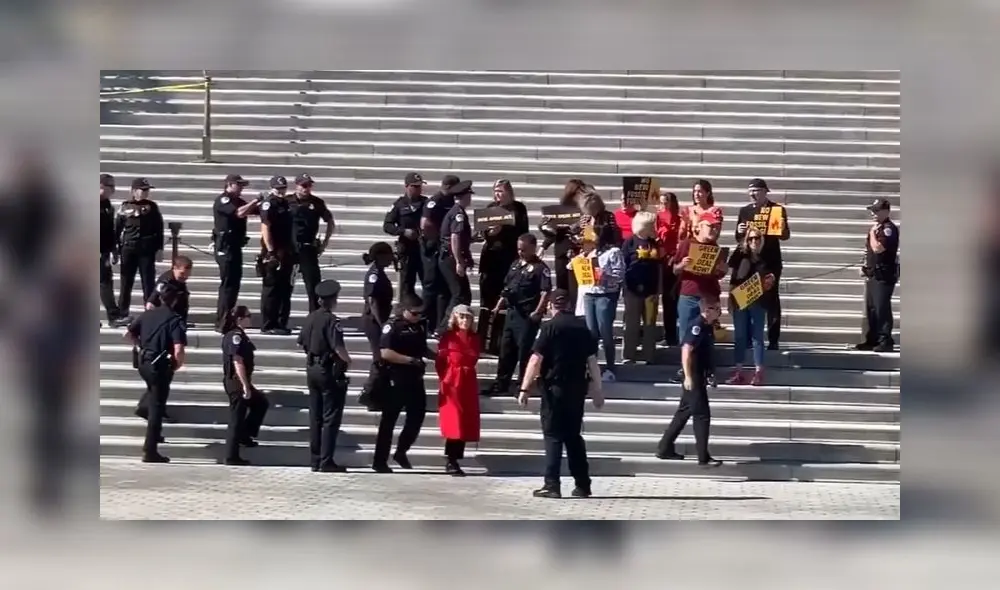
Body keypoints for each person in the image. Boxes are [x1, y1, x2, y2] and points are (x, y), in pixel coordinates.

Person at [517, 289, 605, 499]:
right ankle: (583, 484)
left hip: (553, 390)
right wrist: (597, 390)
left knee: (553, 436)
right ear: (568, 305)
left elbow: (536, 360)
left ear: (551, 306)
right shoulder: (583, 328)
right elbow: (592, 361)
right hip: (577, 390)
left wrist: (524, 387)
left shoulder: (548, 327)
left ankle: (552, 484)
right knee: (574, 437)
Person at [655, 296, 723, 467]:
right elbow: (686, 350)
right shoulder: (697, 326)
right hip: (693, 377)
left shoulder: (707, 326)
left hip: (700, 374)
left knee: (683, 412)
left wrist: (711, 373)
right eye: (717, 308)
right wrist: (688, 377)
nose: (720, 311)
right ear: (707, 310)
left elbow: (706, 354)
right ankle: (703, 457)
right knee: (702, 415)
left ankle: (664, 448)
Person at [125, 282, 187, 463]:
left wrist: (141, 347)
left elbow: (127, 335)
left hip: (143, 362)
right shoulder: (175, 319)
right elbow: (178, 350)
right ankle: (150, 449)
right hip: (160, 365)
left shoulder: (147, 314)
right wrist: (176, 365)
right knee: (157, 407)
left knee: (153, 392)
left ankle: (144, 408)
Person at [374, 294, 436, 473]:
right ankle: (380, 461)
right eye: (414, 313)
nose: (418, 316)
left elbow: (422, 348)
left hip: (415, 380)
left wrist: (438, 357)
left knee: (416, 418)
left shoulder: (419, 326)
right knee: (389, 422)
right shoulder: (392, 326)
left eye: (420, 313)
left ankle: (401, 450)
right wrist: (409, 360)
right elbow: (385, 352)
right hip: (395, 380)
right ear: (405, 311)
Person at [297, 279, 352, 472]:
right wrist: (348, 361)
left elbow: (302, 342)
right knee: (330, 417)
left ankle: (315, 459)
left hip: (311, 367)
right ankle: (326, 461)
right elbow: (337, 346)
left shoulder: (311, 317)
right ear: (333, 299)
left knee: (316, 417)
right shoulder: (332, 320)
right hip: (327, 370)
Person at [487, 233, 552, 396]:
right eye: (518, 249)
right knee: (506, 350)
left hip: (527, 316)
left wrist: (537, 312)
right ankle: (501, 383)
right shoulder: (515, 265)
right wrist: (497, 307)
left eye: (523, 249)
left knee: (524, 351)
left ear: (532, 248)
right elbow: (507, 288)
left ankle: (522, 384)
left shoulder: (540, 268)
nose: (520, 252)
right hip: (512, 313)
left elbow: (545, 292)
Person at [672, 211, 728, 385]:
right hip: (688, 294)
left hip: (709, 296)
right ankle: (685, 369)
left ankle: (708, 370)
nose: (714, 230)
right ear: (700, 226)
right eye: (710, 226)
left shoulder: (716, 248)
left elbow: (717, 275)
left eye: (717, 227)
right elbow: (674, 269)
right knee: (686, 334)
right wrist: (683, 264)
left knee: (707, 335)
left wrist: (722, 270)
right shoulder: (686, 244)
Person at [735, 178, 790, 350]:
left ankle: (773, 339)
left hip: (770, 261)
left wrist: (782, 229)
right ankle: (749, 338)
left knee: (771, 300)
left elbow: (785, 236)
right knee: (748, 298)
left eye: (756, 191)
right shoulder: (745, 211)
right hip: (750, 261)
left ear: (765, 192)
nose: (752, 194)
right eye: (750, 191)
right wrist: (739, 232)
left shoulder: (776, 210)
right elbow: (739, 239)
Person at [725, 226, 777, 385]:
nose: (754, 241)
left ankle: (758, 371)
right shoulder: (740, 254)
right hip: (740, 299)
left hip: (758, 301)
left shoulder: (766, 256)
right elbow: (731, 271)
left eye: (757, 238)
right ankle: (738, 370)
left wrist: (771, 280)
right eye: (750, 238)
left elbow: (771, 275)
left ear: (762, 240)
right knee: (740, 336)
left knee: (757, 337)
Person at [435, 305, 482, 476]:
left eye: (468, 318)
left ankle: (456, 457)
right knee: (454, 419)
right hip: (452, 380)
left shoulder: (474, 338)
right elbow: (440, 361)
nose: (465, 321)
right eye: (461, 317)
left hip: (468, 380)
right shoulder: (448, 337)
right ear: (455, 318)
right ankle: (451, 459)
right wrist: (446, 379)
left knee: (465, 419)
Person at [220, 305, 269, 465]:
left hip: (238, 381)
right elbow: (238, 361)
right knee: (236, 418)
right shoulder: (235, 336)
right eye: (248, 316)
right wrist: (245, 386)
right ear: (240, 319)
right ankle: (231, 455)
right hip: (236, 382)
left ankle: (245, 434)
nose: (251, 318)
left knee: (260, 403)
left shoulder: (237, 334)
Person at [212, 173, 260, 331]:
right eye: (238, 185)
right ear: (230, 184)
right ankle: (222, 321)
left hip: (235, 247)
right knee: (227, 285)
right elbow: (239, 213)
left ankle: (229, 319)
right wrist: (255, 201)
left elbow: (253, 211)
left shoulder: (237, 201)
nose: (241, 189)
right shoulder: (223, 200)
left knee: (234, 285)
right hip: (225, 248)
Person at [581, 221, 626, 382]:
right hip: (589, 293)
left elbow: (620, 275)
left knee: (605, 330)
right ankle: (592, 366)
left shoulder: (614, 252)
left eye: (594, 233)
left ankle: (610, 366)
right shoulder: (589, 251)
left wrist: (605, 275)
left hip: (606, 295)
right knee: (591, 332)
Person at [478, 179, 530, 311]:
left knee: (508, 291)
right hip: (492, 257)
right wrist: (491, 233)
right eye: (495, 191)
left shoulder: (518, 208)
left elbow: (523, 231)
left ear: (508, 192)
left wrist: (504, 230)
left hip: (509, 255)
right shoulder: (490, 207)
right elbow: (482, 231)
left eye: (500, 191)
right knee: (488, 292)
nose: (497, 194)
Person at [116, 177, 164, 319]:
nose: (145, 192)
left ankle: (150, 310)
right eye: (142, 190)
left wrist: (159, 248)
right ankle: (122, 312)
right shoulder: (125, 206)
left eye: (146, 190)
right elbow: (117, 228)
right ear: (133, 191)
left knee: (148, 281)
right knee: (126, 282)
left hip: (146, 249)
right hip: (129, 248)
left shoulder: (152, 207)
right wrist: (115, 248)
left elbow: (159, 228)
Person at [288, 173, 335, 314]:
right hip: (290, 248)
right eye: (303, 185)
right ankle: (280, 319)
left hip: (308, 247)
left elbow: (330, 221)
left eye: (308, 185)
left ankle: (315, 316)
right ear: (296, 186)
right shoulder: (287, 201)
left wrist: (325, 242)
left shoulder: (317, 203)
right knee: (285, 285)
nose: (306, 189)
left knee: (313, 285)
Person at [420, 175, 461, 333]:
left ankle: (438, 324)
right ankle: (424, 322)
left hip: (444, 249)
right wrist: (439, 238)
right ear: (450, 186)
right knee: (430, 286)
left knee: (443, 289)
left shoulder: (450, 201)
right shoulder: (435, 201)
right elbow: (425, 224)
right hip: (432, 248)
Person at [857, 198, 899, 352]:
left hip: (884, 275)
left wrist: (872, 233)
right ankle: (871, 339)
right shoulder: (876, 228)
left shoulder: (889, 229)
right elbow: (868, 251)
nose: (873, 214)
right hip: (873, 273)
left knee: (881, 308)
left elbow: (878, 249)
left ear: (886, 211)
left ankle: (885, 340)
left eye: (876, 210)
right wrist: (864, 266)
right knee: (872, 308)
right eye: (872, 210)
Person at [621, 211, 662, 364]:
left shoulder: (654, 243)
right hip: (632, 291)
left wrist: (658, 290)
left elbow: (658, 267)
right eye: (651, 225)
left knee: (649, 323)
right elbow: (623, 266)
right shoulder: (629, 243)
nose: (654, 227)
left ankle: (649, 355)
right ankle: (629, 355)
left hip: (650, 291)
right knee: (632, 323)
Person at [539, 178, 588, 303]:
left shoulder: (585, 210)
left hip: (578, 252)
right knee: (562, 285)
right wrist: (543, 245)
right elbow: (553, 233)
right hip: (562, 251)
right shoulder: (561, 210)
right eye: (579, 191)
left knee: (576, 289)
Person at [258, 175, 295, 334]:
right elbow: (265, 227)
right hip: (273, 252)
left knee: (285, 289)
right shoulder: (269, 204)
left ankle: (281, 323)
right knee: (271, 289)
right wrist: (270, 251)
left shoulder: (286, 203)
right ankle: (268, 324)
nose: (281, 191)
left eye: (283, 188)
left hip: (286, 250)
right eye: (278, 189)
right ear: (272, 188)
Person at [383, 172, 428, 299]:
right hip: (407, 250)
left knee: (428, 281)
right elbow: (387, 226)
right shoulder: (399, 204)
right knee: (406, 284)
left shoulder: (426, 203)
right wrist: (403, 231)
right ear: (407, 186)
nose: (418, 189)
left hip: (424, 249)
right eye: (415, 186)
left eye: (419, 186)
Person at [437, 181, 475, 332]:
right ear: (464, 196)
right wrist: (459, 261)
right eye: (469, 196)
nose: (470, 199)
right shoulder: (458, 213)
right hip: (451, 259)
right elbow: (454, 238)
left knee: (464, 294)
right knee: (459, 294)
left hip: (450, 257)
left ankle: (455, 326)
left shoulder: (456, 211)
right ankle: (443, 329)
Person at [360, 242, 395, 396]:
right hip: (373, 321)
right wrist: (382, 323)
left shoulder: (380, 272)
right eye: (388, 256)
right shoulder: (374, 274)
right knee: (378, 357)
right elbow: (372, 301)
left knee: (381, 357)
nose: (391, 259)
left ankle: (380, 391)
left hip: (379, 319)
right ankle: (370, 392)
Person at [655, 190, 682, 345]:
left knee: (675, 298)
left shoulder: (679, 220)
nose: (664, 205)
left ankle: (678, 333)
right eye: (662, 202)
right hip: (660, 262)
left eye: (667, 202)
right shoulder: (657, 219)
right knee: (666, 299)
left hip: (675, 261)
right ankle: (669, 335)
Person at [100, 173, 126, 326]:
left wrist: (113, 249)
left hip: (103, 250)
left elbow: (109, 231)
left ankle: (114, 316)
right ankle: (113, 316)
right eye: (110, 186)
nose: (113, 190)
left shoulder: (108, 206)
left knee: (106, 282)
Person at [146, 255, 193, 326]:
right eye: (182, 273)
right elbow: (157, 291)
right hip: (165, 315)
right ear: (174, 268)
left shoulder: (180, 280)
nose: (185, 277)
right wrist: (151, 301)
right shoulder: (166, 281)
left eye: (188, 274)